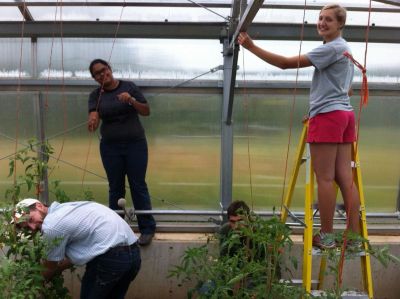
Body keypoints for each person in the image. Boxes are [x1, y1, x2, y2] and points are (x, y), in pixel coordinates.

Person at [238, 3, 360, 249]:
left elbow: (285, 63)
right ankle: (354, 238)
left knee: (324, 178)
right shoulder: (345, 49)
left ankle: (326, 236)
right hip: (345, 114)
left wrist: (251, 47)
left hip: (329, 117)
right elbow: (347, 89)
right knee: (345, 177)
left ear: (340, 24)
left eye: (329, 20)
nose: (322, 23)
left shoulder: (330, 49)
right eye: (320, 18)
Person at [13, 198, 141, 299]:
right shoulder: (67, 209)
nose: (32, 227)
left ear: (39, 206)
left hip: (111, 258)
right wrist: (56, 268)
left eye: (30, 219)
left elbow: (49, 267)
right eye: (27, 227)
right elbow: (68, 260)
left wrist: (31, 287)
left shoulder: (51, 225)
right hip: (133, 255)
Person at [87, 58, 156, 246]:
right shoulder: (96, 96)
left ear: (110, 69)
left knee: (138, 185)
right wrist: (92, 121)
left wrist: (131, 100)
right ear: (95, 78)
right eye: (97, 74)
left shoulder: (129, 87)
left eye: (104, 70)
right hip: (110, 147)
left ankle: (147, 229)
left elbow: (146, 111)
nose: (102, 74)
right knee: (115, 187)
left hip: (135, 144)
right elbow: (94, 115)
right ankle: (115, 230)